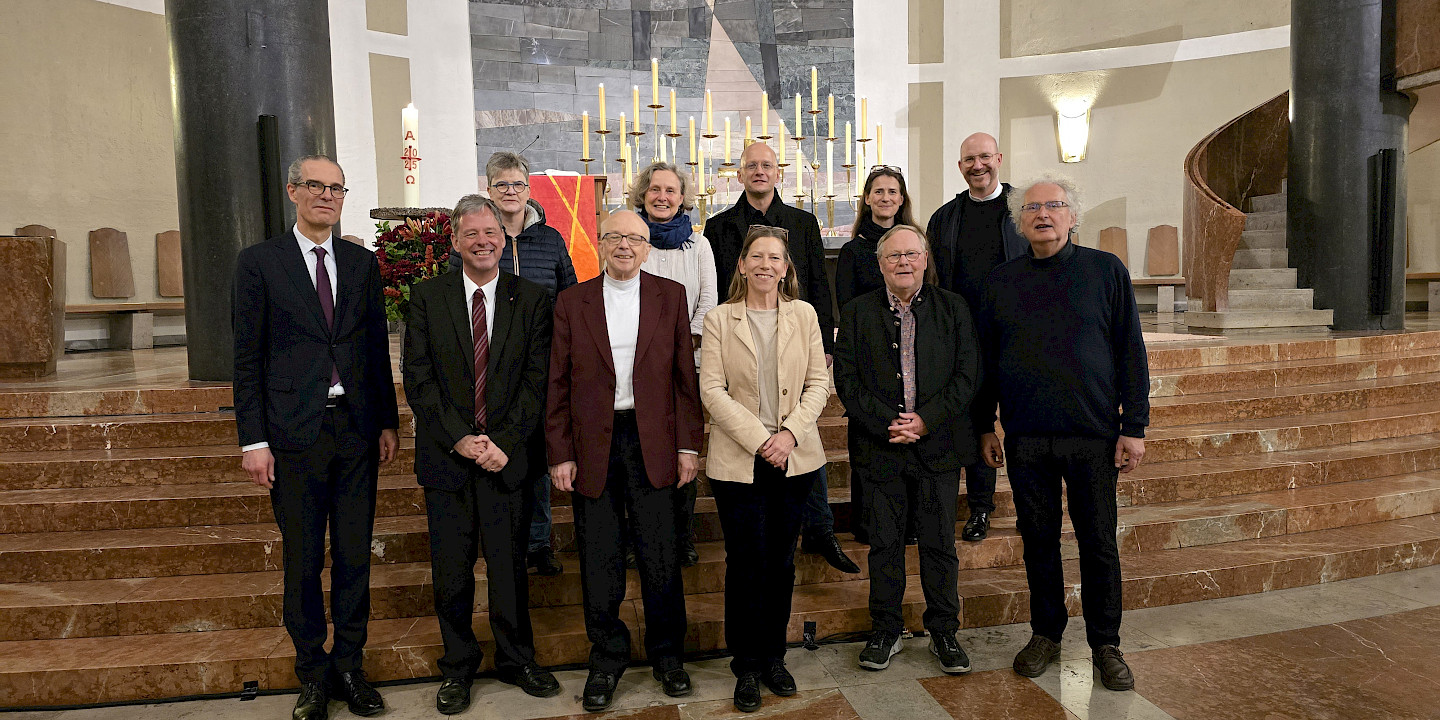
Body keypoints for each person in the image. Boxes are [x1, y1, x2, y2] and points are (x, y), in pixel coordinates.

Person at [233, 155, 399, 720]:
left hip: (355, 431)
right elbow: (247, 358)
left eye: (337, 188)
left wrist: (387, 421)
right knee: (303, 559)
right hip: (292, 434)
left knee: (354, 556)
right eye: (317, 187)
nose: (327, 196)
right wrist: (253, 441)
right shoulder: (260, 263)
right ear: (293, 192)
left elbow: (375, 348)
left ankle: (350, 667)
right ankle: (312, 673)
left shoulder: (361, 263)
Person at [975, 175, 1148, 692]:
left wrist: (1133, 426)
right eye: (1032, 208)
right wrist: (986, 424)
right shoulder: (1001, 282)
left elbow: (1130, 352)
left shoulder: (1105, 271)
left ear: (1074, 216)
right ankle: (1046, 633)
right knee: (1039, 544)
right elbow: (986, 363)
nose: (1043, 215)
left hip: (1094, 435)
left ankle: (1106, 643)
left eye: (1054, 206)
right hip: (1027, 439)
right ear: (1018, 220)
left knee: (1098, 544)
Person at [403, 195, 561, 715]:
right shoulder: (426, 298)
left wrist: (504, 444)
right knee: (451, 570)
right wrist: (460, 439)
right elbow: (419, 380)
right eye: (471, 233)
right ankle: (458, 666)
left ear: (503, 234)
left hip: (506, 460)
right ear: (455, 241)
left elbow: (538, 382)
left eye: (491, 231)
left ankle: (517, 659)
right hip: (449, 459)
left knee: (509, 566)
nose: (483, 241)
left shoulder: (534, 299)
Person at [546, 210, 705, 712]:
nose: (625, 246)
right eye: (615, 237)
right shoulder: (573, 301)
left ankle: (667, 657)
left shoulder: (669, 296)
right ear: (599, 243)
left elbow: (685, 377)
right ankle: (606, 659)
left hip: (653, 439)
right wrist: (560, 452)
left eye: (635, 239)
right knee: (601, 557)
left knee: (661, 555)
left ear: (646, 247)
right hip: (594, 442)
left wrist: (687, 446)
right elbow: (558, 382)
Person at [703, 141, 857, 575]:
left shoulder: (802, 223)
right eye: (750, 165)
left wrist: (825, 346)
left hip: (797, 340)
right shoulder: (719, 227)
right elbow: (719, 288)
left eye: (766, 165)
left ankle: (821, 530)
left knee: (802, 432)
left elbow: (816, 286)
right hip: (743, 339)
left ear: (778, 173)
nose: (758, 172)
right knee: (748, 552)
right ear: (740, 174)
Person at [833, 225, 979, 676]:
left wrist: (925, 419)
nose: (903, 262)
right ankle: (886, 629)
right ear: (880, 264)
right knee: (885, 546)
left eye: (911, 254)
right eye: (893, 256)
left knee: (939, 545)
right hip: (881, 448)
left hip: (937, 446)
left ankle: (943, 631)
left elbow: (967, 374)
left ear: (925, 260)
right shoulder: (857, 313)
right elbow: (848, 380)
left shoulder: (953, 308)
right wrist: (887, 423)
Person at [699, 225, 832, 712]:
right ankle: (746, 665)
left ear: (785, 267)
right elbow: (711, 390)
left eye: (775, 258)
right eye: (757, 256)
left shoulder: (805, 315)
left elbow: (819, 382)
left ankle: (775, 656)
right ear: (741, 264)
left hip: (794, 459)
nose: (765, 265)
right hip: (739, 461)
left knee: (780, 562)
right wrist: (761, 440)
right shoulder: (719, 319)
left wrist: (790, 434)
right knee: (746, 564)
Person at [456, 152, 578, 578]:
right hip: (487, 362)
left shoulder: (550, 239)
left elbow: (570, 294)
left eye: (518, 185)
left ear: (529, 190)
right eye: (502, 185)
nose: (510, 192)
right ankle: (496, 541)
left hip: (541, 361)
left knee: (535, 452)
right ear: (489, 190)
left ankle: (539, 542)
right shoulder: (480, 238)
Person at [926, 132, 1029, 543]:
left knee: (1022, 425)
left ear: (999, 158)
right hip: (963, 340)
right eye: (969, 159)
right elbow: (934, 278)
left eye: (984, 156)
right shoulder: (945, 217)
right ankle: (981, 508)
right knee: (973, 424)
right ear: (960, 166)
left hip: (1017, 337)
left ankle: (1029, 505)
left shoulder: (1025, 208)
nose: (978, 165)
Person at [632, 160, 718, 568]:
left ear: (682, 197)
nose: (662, 197)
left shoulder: (699, 245)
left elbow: (709, 303)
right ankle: (640, 539)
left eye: (670, 190)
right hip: (637, 367)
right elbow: (615, 297)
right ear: (643, 195)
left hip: (690, 365)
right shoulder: (628, 240)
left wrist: (683, 345)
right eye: (655, 190)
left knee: (684, 448)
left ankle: (681, 537)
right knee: (640, 450)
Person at [835, 165, 919, 546]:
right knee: (869, 441)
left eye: (892, 191)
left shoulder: (918, 244)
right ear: (867, 199)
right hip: (871, 358)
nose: (885, 197)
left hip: (913, 356)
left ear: (902, 199)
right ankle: (867, 523)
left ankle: (913, 524)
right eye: (878, 191)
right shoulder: (854, 251)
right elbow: (848, 308)